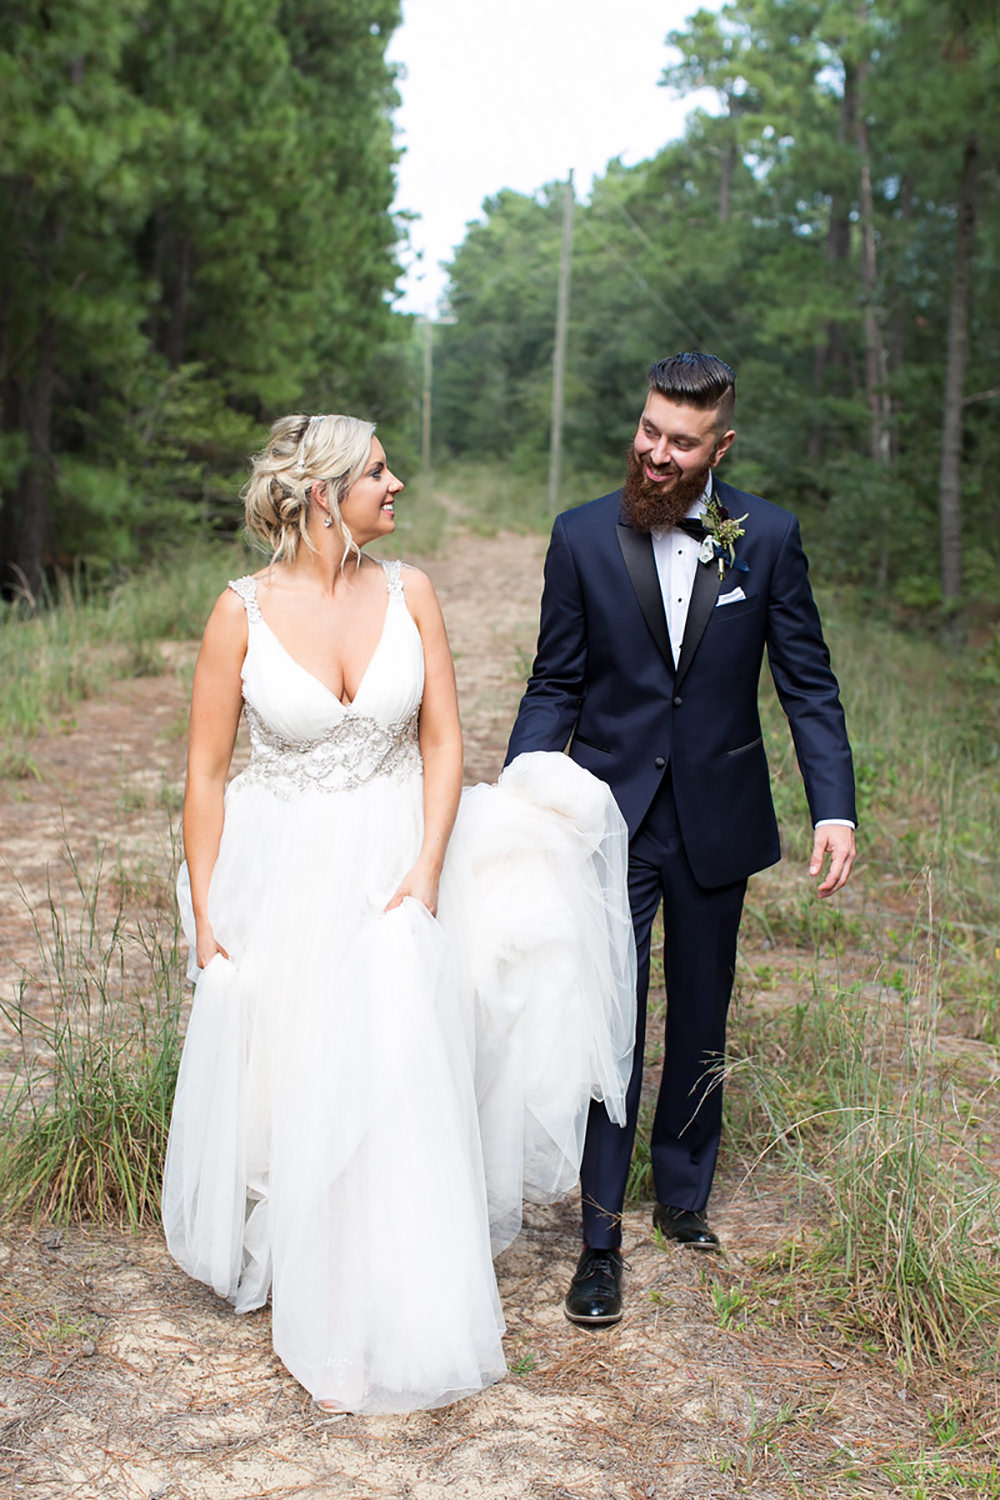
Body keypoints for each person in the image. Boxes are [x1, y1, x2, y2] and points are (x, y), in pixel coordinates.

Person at [161, 413, 636, 1413]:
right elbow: (205, 775)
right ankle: (306, 1248)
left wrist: (425, 870)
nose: (398, 484)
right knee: (299, 1056)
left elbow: (442, 743)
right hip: (281, 861)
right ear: (325, 494)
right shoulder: (237, 612)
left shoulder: (410, 592)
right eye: (378, 471)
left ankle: (391, 1269)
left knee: (402, 1054)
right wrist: (206, 912)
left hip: (400, 851)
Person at [505, 352, 856, 1327]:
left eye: (681, 442)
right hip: (607, 822)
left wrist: (835, 805)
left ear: (720, 446)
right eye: (649, 431)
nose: (656, 455)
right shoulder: (579, 537)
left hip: (717, 815)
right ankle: (599, 1239)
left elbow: (807, 682)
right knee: (607, 1024)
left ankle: (684, 1197)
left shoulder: (768, 538)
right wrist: (519, 797)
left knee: (704, 1012)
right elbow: (555, 683)